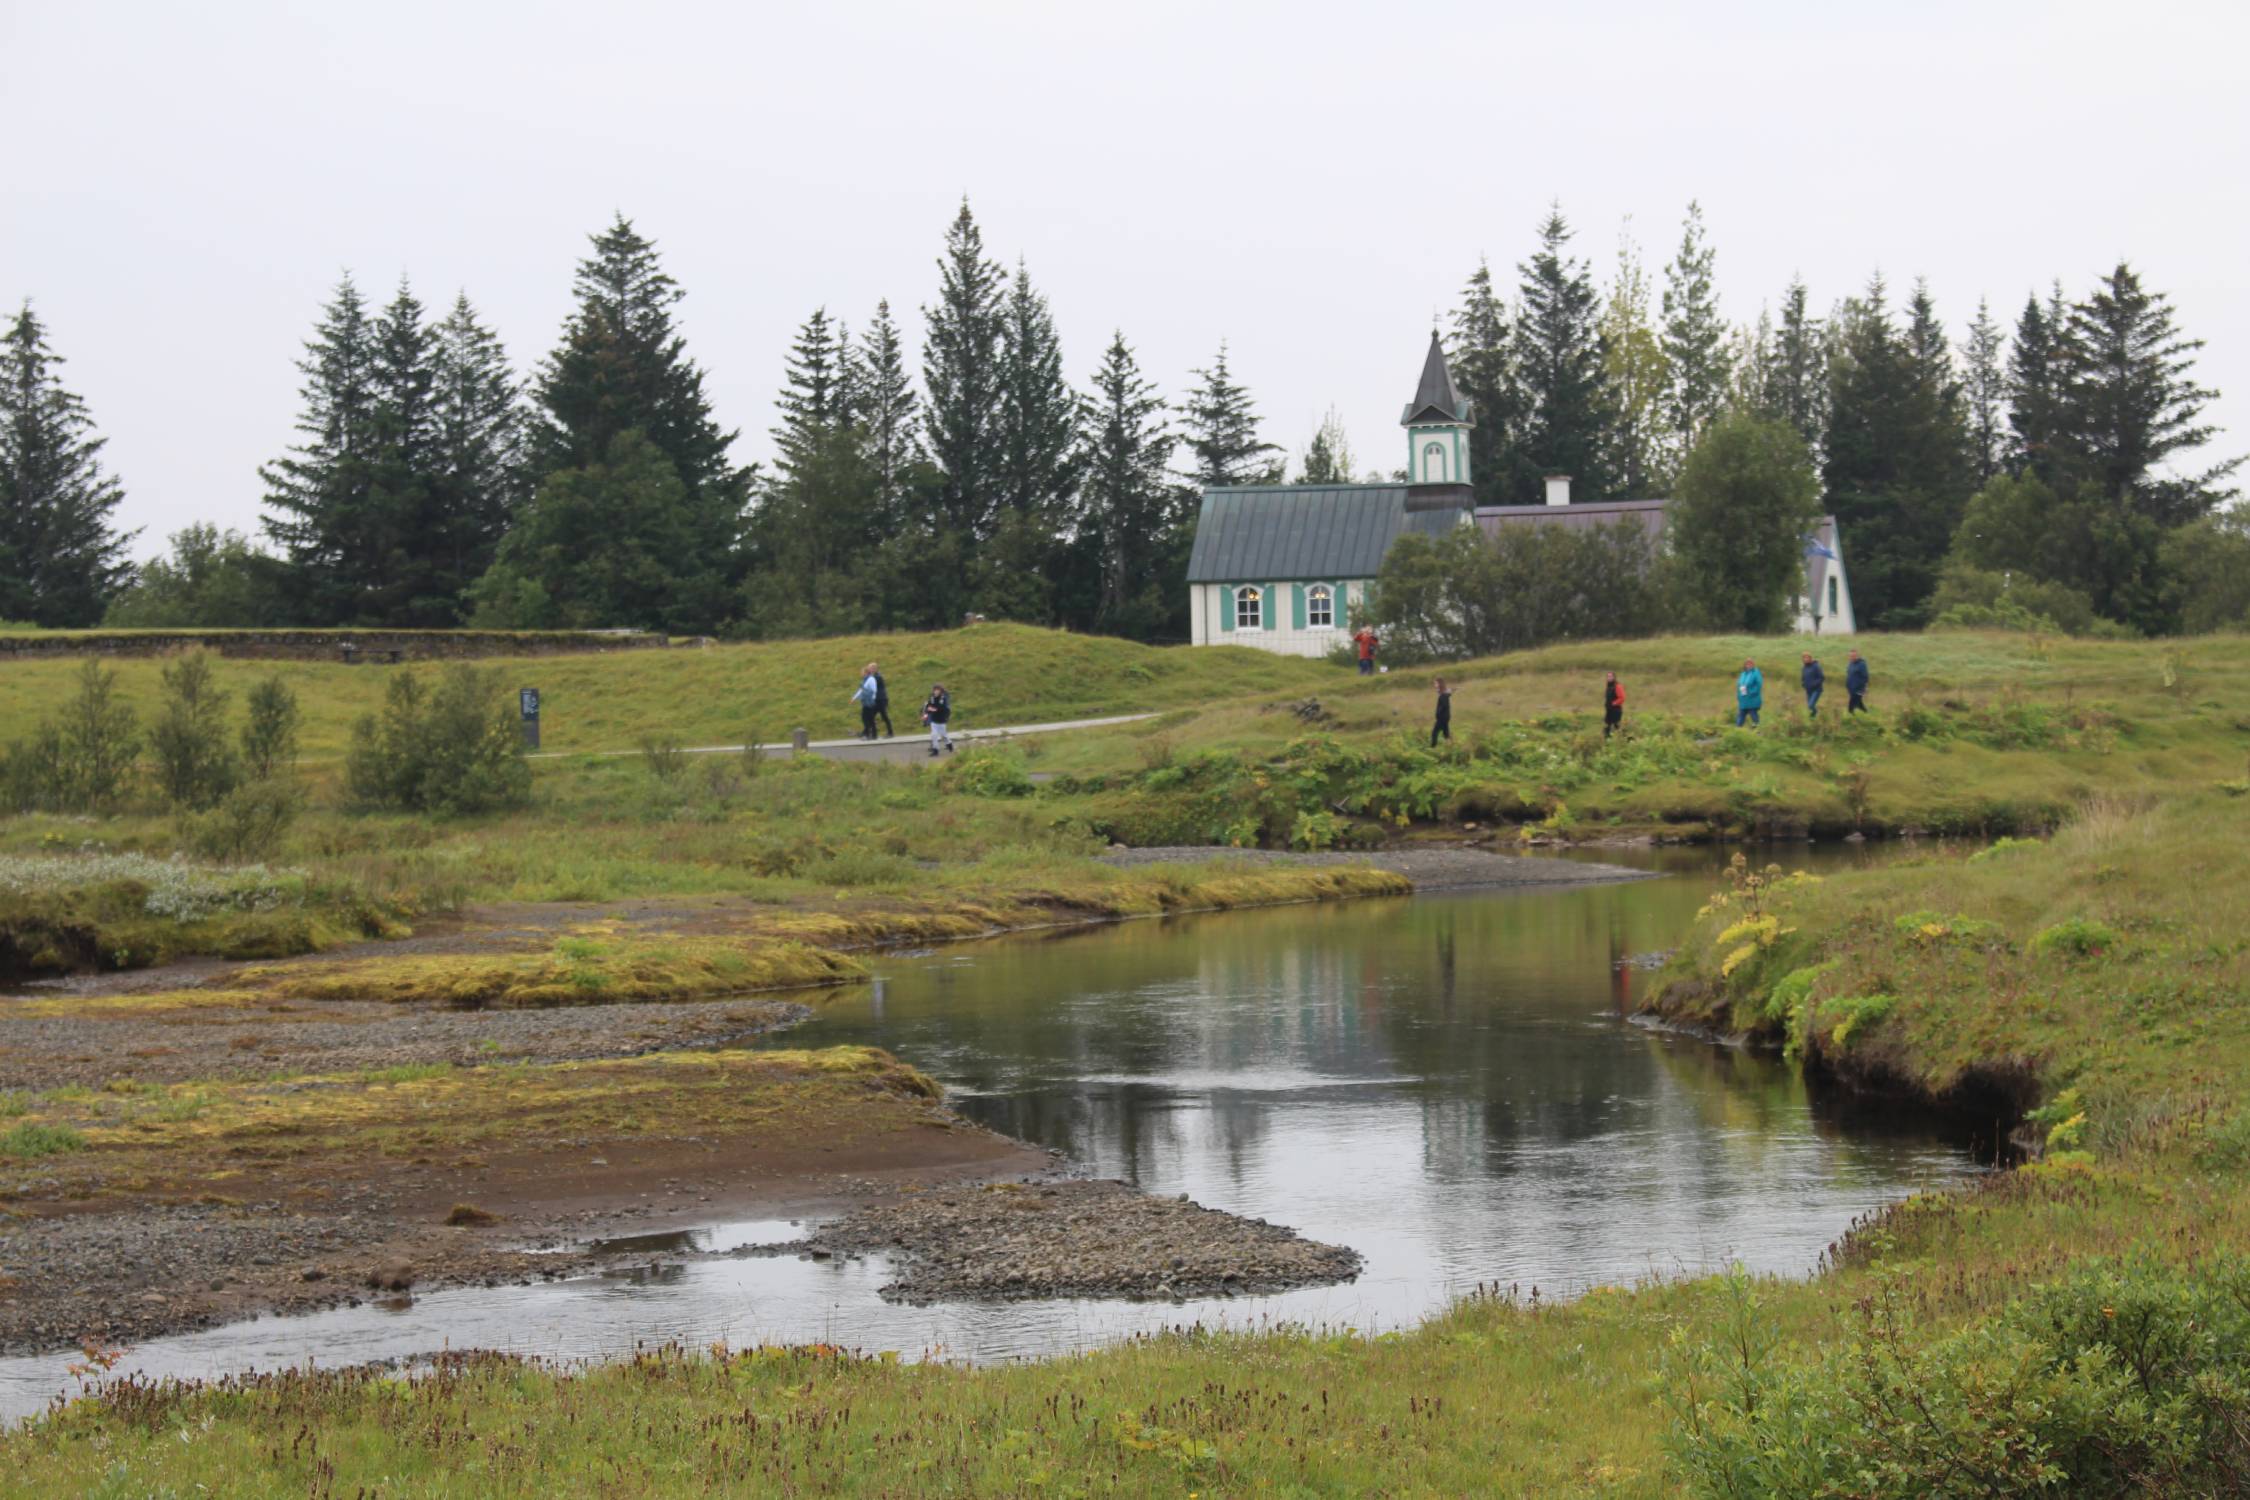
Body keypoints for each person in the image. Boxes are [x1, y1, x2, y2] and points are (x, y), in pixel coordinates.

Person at [922, 683, 954, 756]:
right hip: (934, 720)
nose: (936, 692)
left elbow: (941, 708)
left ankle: (949, 744)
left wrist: (932, 709)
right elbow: (928, 706)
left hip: (941, 720)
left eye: (937, 690)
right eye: (935, 690)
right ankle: (935, 750)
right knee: (934, 735)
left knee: (944, 735)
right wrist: (926, 713)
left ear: (940, 691)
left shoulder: (943, 698)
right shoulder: (932, 697)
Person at [850, 663, 880, 740]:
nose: (861, 674)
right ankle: (873, 735)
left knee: (866, 718)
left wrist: (872, 698)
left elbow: (873, 690)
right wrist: (854, 698)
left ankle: (868, 735)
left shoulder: (870, 679)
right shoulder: (866, 680)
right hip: (867, 701)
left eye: (862, 672)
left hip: (869, 702)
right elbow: (861, 690)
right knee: (869, 719)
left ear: (866, 672)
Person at [1735, 658, 1763, 728]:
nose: (1748, 665)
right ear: (1745, 665)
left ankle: (1758, 729)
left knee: (1753, 713)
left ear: (1753, 664)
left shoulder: (1756, 672)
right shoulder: (1743, 674)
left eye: (1750, 664)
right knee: (1741, 714)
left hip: (1752, 698)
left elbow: (1759, 684)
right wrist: (1738, 695)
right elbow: (1739, 685)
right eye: (1747, 664)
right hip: (1743, 698)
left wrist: (1752, 692)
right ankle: (1737, 730)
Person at [871, 665, 894, 739]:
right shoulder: (874, 677)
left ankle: (890, 733)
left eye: (871, 668)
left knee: (884, 716)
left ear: (875, 669)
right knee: (870, 716)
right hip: (876, 700)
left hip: (881, 699)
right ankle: (873, 734)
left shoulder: (878, 677)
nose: (870, 670)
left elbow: (872, 685)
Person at [1845, 649, 1870, 714]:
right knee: (1859, 704)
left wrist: (1865, 687)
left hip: (1858, 689)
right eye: (1850, 656)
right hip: (1851, 688)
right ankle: (1866, 713)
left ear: (1857, 656)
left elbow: (1866, 676)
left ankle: (1851, 718)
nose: (1851, 657)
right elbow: (1849, 674)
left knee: (1851, 706)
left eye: (1853, 656)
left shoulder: (1862, 664)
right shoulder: (1850, 664)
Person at [1801, 652, 1825, 718]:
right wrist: (1803, 683)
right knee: (1809, 707)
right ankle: (1813, 719)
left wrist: (1814, 684)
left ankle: (1816, 712)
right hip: (1808, 690)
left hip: (1816, 690)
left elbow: (1822, 677)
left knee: (1810, 705)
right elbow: (1803, 677)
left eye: (1807, 658)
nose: (1806, 659)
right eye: (1804, 658)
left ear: (1810, 658)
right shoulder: (1804, 668)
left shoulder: (1816, 666)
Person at [1429, 677, 1452, 747]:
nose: (1434, 685)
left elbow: (1444, 705)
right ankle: (1450, 746)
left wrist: (1438, 713)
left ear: (1440, 684)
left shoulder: (1443, 695)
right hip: (1445, 716)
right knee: (1446, 733)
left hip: (1442, 717)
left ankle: (1433, 747)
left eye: (1435, 683)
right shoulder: (1443, 694)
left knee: (1434, 732)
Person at [1603, 671, 1625, 739]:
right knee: (1607, 725)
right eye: (1608, 676)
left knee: (1616, 726)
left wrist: (1613, 703)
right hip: (1609, 710)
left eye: (1610, 676)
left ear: (1614, 677)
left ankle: (1623, 739)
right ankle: (1607, 740)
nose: (1609, 678)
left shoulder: (1617, 686)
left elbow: (1622, 698)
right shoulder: (1608, 686)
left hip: (1616, 710)